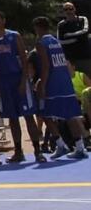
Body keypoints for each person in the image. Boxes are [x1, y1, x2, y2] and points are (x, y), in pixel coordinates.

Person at [0, 10, 45, 163]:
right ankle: (18, 151)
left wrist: (24, 80)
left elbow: (24, 59)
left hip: (18, 78)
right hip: (4, 81)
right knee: (12, 118)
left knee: (28, 116)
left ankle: (38, 151)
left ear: (3, 20)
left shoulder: (14, 35)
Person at [33, 16, 89, 158]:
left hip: (53, 84)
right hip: (64, 82)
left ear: (37, 28)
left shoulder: (41, 43)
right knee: (70, 115)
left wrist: (42, 84)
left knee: (44, 113)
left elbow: (46, 66)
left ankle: (60, 145)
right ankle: (80, 147)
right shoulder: (56, 41)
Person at [57, 2, 91, 78]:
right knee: (73, 81)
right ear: (64, 11)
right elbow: (60, 41)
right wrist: (76, 39)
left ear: (74, 9)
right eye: (66, 9)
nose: (68, 11)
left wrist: (69, 35)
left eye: (70, 9)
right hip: (70, 60)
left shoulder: (82, 19)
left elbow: (85, 31)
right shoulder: (61, 24)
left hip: (84, 57)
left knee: (89, 80)